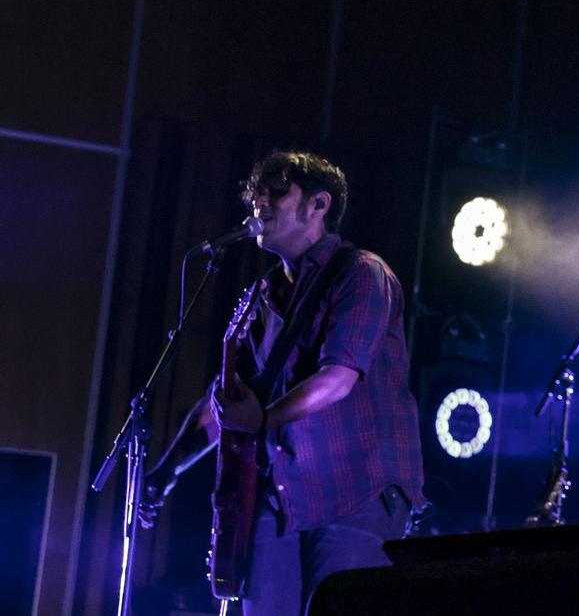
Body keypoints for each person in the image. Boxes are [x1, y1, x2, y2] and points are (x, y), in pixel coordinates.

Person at [138, 151, 426, 616]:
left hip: (356, 489)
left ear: (319, 205)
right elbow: (226, 400)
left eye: (276, 190)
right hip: (281, 496)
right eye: (256, 191)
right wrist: (168, 469)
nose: (259, 202)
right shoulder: (263, 294)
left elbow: (339, 377)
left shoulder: (362, 273)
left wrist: (266, 417)